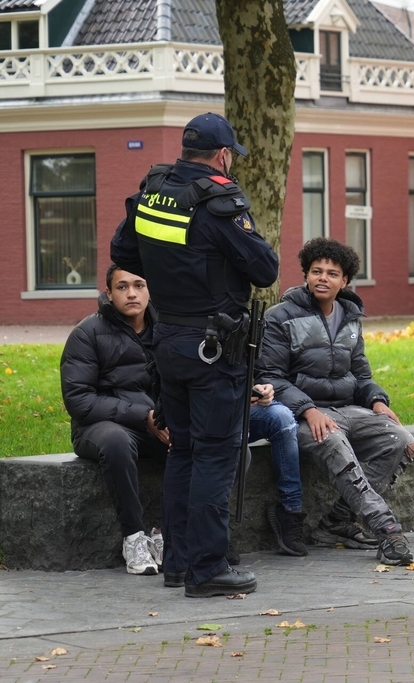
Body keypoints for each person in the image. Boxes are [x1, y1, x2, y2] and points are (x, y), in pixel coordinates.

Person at [110, 112, 279, 597]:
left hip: (168, 340)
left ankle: (179, 564)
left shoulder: (154, 190)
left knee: (182, 451)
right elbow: (265, 269)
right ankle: (208, 570)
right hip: (213, 348)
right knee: (215, 455)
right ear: (223, 155)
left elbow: (123, 251)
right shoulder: (219, 200)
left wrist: (174, 273)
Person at [257, 237, 414, 566]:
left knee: (401, 440)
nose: (323, 278)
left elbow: (361, 375)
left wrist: (376, 400)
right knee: (334, 440)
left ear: (344, 281)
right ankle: (387, 531)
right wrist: (308, 410)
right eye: (316, 271)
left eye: (332, 274)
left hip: (347, 409)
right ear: (306, 274)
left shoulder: (350, 317)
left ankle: (337, 523)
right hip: (300, 415)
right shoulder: (280, 317)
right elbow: (271, 376)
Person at [60, 264, 169, 575]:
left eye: (139, 285)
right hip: (99, 428)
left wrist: (174, 419)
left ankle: (167, 533)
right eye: (122, 287)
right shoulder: (87, 333)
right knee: (117, 441)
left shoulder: (167, 329)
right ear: (109, 293)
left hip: (156, 424)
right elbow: (79, 400)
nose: (131, 293)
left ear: (149, 290)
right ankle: (133, 537)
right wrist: (143, 417)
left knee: (212, 443)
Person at [248, 385, 308, 557]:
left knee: (282, 417)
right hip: (208, 407)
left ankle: (290, 511)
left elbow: (266, 375)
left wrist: (262, 390)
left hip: (243, 407)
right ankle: (216, 525)